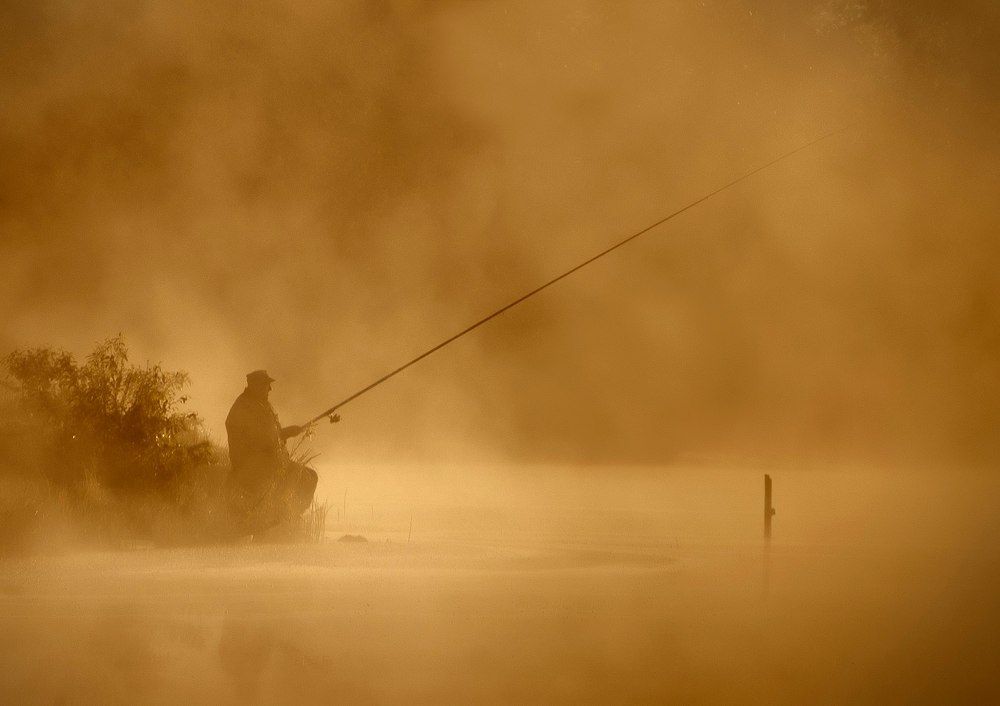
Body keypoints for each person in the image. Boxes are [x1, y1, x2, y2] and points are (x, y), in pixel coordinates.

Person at [224, 369, 328, 535]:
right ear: (255, 386)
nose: (270, 389)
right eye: (267, 385)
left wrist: (288, 432)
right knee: (304, 477)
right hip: (252, 467)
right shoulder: (244, 407)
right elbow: (262, 438)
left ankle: (282, 518)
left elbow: (271, 435)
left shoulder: (260, 403)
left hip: (269, 463)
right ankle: (274, 520)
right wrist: (287, 432)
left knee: (310, 477)